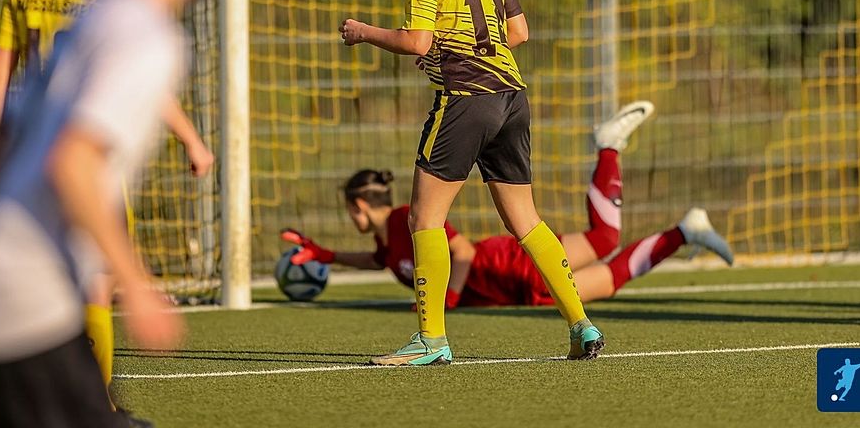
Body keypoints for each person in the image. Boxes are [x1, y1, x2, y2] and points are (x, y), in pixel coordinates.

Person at [0, 0, 212, 427]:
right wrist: (139, 286)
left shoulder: (102, 16)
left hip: (11, 267)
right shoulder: (145, 31)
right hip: (34, 280)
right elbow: (72, 161)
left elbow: (17, 108)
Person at [340, 0, 604, 365]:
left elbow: (418, 41)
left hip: (464, 96)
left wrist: (362, 31)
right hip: (511, 95)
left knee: (424, 217)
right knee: (527, 222)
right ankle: (582, 325)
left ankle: (431, 340)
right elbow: (519, 32)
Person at [282, 102, 734, 312]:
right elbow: (375, 261)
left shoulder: (407, 219)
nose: (350, 220)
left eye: (349, 212)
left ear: (360, 205)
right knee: (611, 277)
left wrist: (451, 299)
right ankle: (685, 231)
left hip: (507, 266)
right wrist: (325, 255)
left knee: (605, 242)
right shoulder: (387, 244)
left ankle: (608, 147)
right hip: (511, 291)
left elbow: (461, 253)